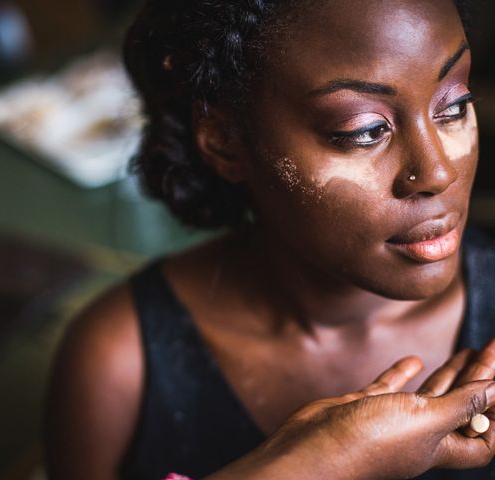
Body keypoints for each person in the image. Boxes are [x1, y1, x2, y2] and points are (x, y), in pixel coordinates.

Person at [44, 0, 495, 478]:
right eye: (363, 131)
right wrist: (315, 464)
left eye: (455, 105)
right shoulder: (118, 363)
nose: (437, 171)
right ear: (223, 138)